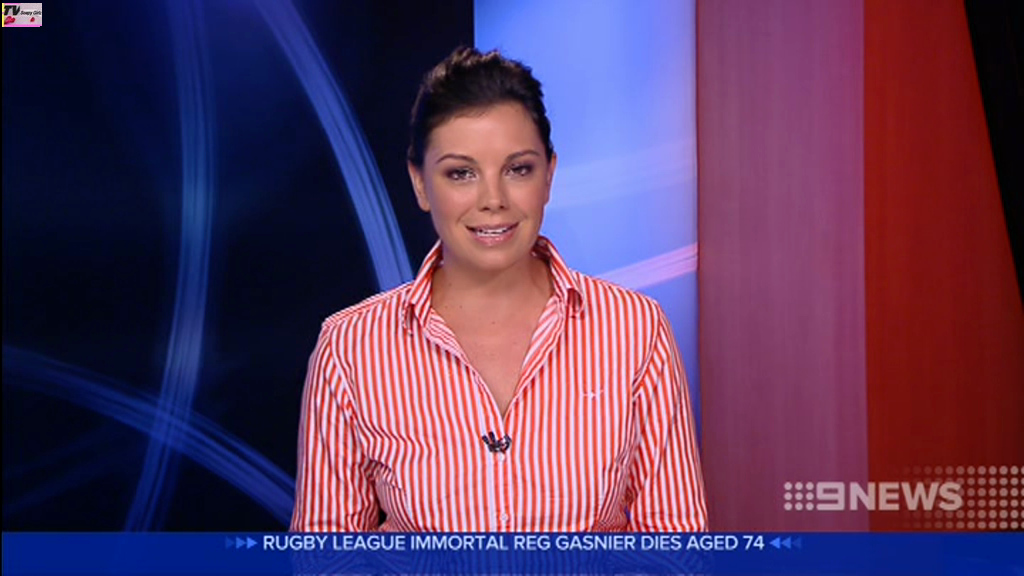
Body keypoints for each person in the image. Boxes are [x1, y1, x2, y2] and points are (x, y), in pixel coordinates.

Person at [291, 47, 707, 532]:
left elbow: (676, 544)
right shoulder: (351, 347)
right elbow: (328, 557)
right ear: (420, 184)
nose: (493, 200)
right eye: (461, 173)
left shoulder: (634, 329)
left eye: (518, 169)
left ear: (549, 175)